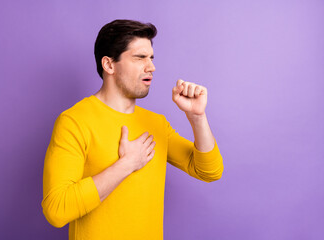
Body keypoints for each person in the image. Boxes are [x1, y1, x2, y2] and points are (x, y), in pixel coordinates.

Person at [42, 19, 224, 240]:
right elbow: (57, 210)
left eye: (151, 58)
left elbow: (209, 171)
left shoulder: (156, 124)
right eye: (139, 58)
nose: (151, 66)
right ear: (109, 65)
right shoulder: (74, 121)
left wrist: (197, 117)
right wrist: (126, 165)